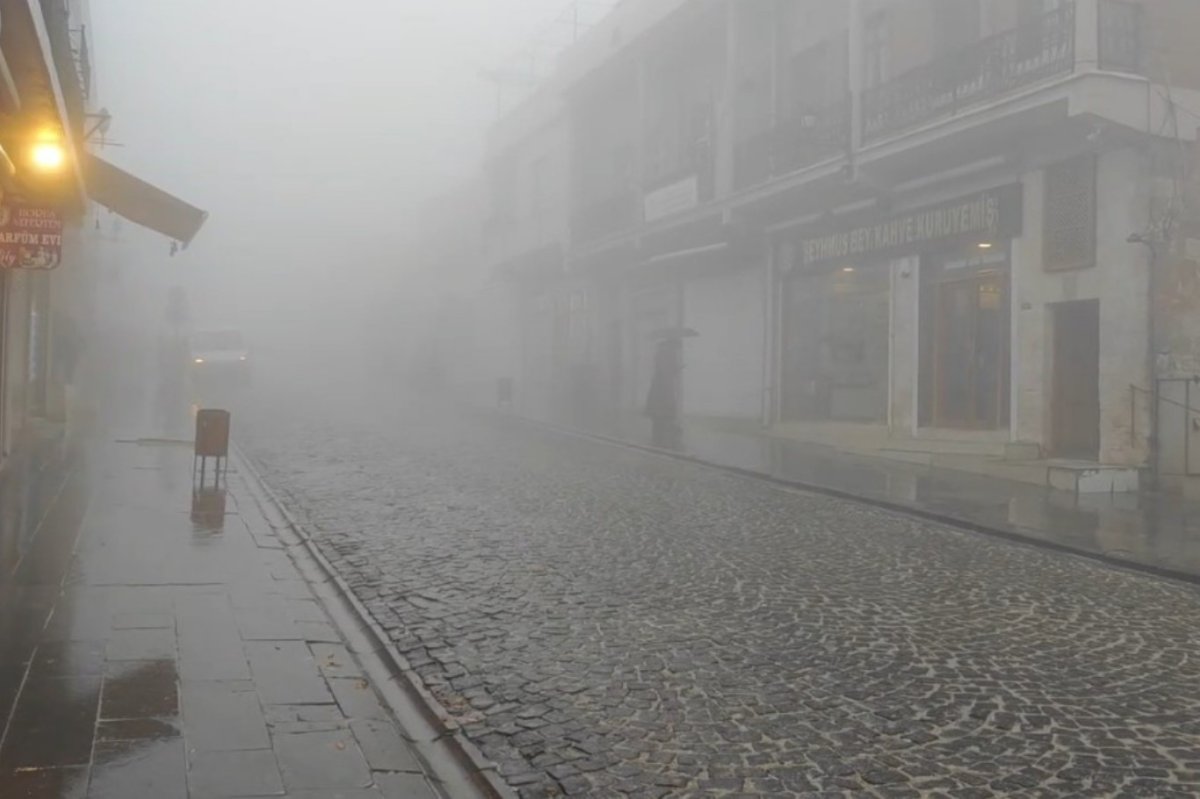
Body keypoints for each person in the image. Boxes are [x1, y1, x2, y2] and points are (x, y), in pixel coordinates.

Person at [644, 338, 683, 449]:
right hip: (663, 388)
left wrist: (675, 369)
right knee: (662, 413)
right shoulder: (667, 352)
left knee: (659, 414)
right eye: (678, 346)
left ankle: (658, 439)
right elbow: (665, 370)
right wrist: (676, 369)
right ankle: (659, 440)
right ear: (673, 344)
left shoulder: (663, 351)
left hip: (660, 387)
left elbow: (665, 369)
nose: (678, 348)